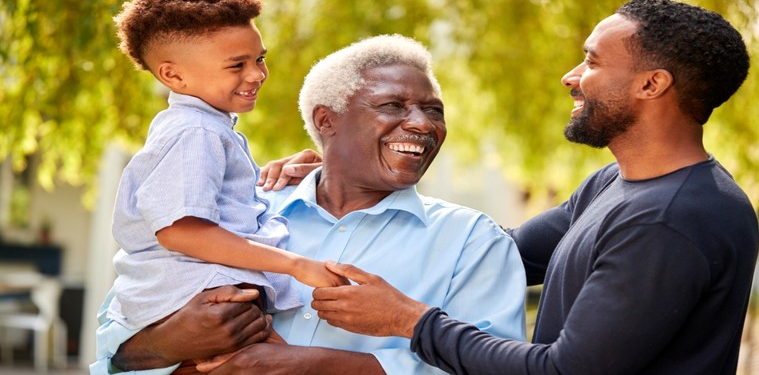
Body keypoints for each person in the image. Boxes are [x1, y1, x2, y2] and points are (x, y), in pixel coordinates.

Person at [304, 0, 759, 374]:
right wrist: (335, 169)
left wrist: (410, 321)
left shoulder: (673, 219)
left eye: (592, 61)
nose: (571, 77)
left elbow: (562, 371)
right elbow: (491, 252)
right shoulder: (612, 186)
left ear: (651, 84)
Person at [95, 34, 528, 374]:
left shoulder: (473, 242)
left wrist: (317, 366)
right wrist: (164, 344)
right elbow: (113, 348)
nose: (421, 124)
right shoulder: (235, 213)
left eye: (433, 111)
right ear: (327, 120)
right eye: (393, 105)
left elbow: (495, 367)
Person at [92, 0, 346, 374]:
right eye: (237, 65)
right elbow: (180, 230)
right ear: (173, 75)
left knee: (285, 360)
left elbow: (217, 199)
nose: (257, 74)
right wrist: (296, 265)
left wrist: (266, 174)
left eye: (259, 58)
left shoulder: (198, 126)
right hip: (198, 293)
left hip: (199, 290)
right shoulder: (197, 131)